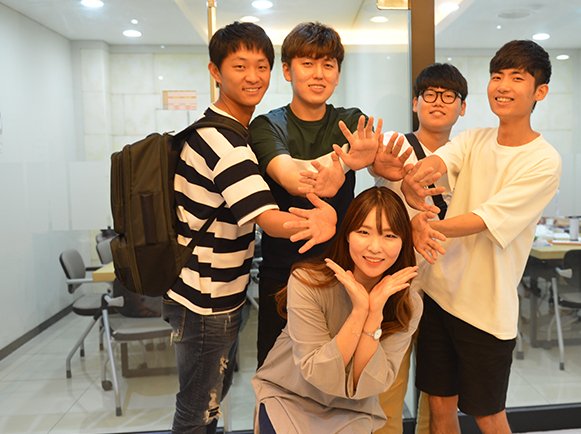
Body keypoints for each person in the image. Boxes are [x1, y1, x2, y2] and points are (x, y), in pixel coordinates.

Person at [162, 22, 337, 434]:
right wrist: (321, 220)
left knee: (207, 403)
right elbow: (270, 220)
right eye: (239, 66)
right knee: (197, 410)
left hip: (210, 292)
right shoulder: (223, 142)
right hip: (206, 298)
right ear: (215, 71)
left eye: (261, 66)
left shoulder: (225, 131)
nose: (253, 76)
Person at [401, 40, 562, 434]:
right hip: (438, 294)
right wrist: (412, 178)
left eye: (516, 78)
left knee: (488, 415)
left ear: (540, 91)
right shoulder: (473, 138)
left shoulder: (544, 160)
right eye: (496, 76)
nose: (502, 86)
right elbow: (438, 162)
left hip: (485, 309)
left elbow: (485, 218)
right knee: (439, 406)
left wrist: (425, 226)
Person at [249, 21, 380, 369]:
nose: (318, 74)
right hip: (283, 273)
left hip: (341, 273)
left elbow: (377, 159)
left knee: (338, 373)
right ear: (287, 71)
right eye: (307, 63)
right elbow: (289, 177)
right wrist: (340, 167)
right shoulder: (267, 125)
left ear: (338, 74)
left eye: (328, 65)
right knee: (276, 374)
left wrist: (362, 164)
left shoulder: (350, 121)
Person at [252, 187, 433, 433]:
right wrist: (359, 311)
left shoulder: (407, 303)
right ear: (347, 234)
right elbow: (319, 374)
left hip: (354, 409)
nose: (375, 247)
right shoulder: (307, 282)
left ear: (404, 243)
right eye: (364, 232)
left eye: (389, 236)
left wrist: (373, 314)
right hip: (290, 398)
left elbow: (368, 385)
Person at [371, 62, 467, 434]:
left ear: (462, 107)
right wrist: (374, 163)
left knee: (439, 395)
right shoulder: (396, 145)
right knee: (387, 386)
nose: (438, 102)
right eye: (429, 94)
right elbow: (376, 166)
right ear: (415, 103)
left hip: (450, 288)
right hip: (399, 285)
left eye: (449, 96)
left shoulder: (469, 154)